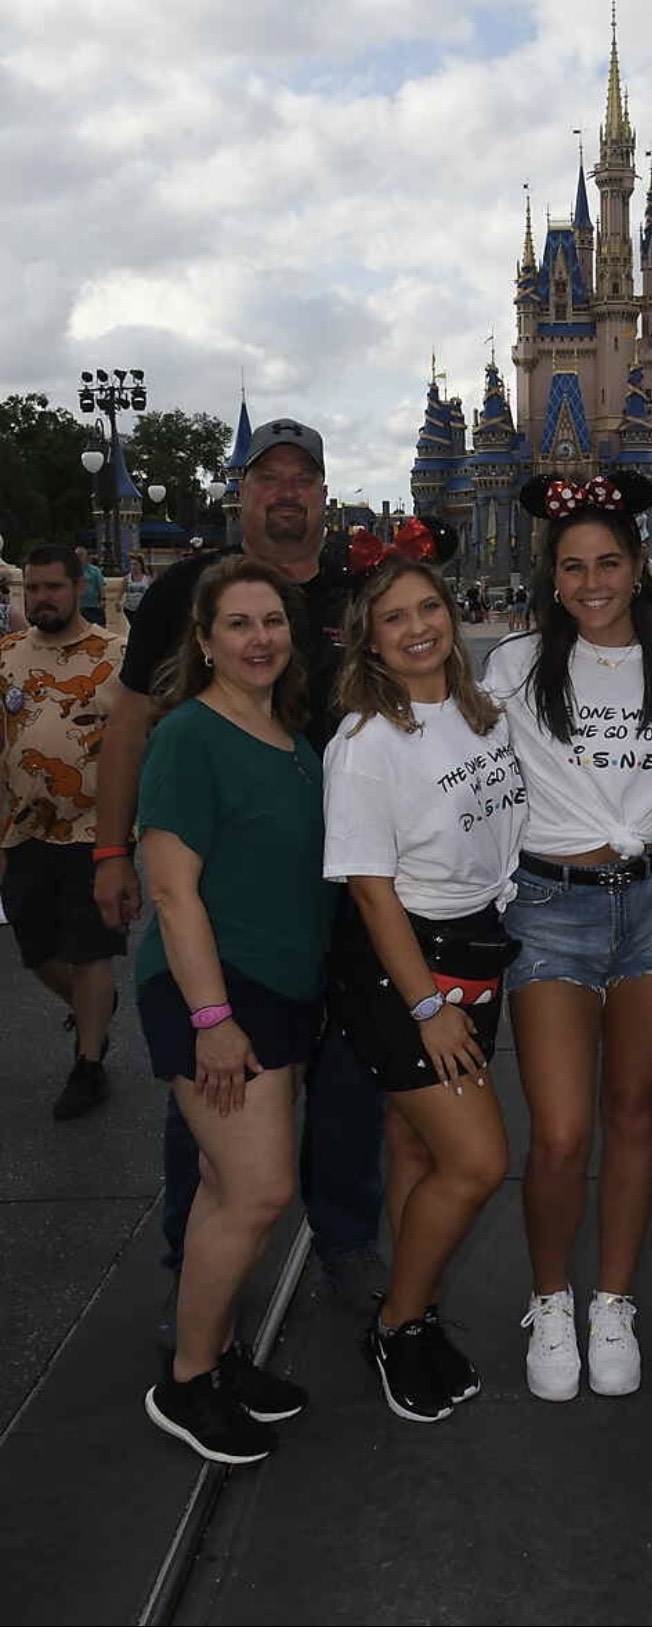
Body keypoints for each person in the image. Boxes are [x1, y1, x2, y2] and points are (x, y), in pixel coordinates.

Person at [92, 419, 385, 1315]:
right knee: (213, 1082)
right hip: (224, 882)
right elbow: (131, 720)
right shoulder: (187, 586)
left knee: (347, 1075)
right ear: (243, 492)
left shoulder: (363, 589)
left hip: (350, 879)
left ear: (324, 494)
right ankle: (196, 1248)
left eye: (303, 477)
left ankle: (345, 1238)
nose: (286, 491)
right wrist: (110, 849)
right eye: (269, 477)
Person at [483, 471, 652, 1400]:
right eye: (572, 565)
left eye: (607, 562)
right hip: (551, 906)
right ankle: (549, 1296)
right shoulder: (512, 664)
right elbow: (449, 763)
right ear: (552, 572)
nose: (591, 582)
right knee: (561, 1129)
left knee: (631, 1110)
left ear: (637, 565)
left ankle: (611, 1297)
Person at [323, 539, 526, 1423]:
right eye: (392, 618)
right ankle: (398, 1322)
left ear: (451, 614)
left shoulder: (479, 713)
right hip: (408, 967)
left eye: (427, 609)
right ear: (368, 643)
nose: (415, 628)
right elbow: (371, 892)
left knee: (418, 1152)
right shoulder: (368, 741)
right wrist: (428, 1006)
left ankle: (417, 1302)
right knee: (479, 1160)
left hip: (477, 951)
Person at [140, 556, 335, 1464]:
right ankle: (184, 1380)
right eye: (239, 623)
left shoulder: (291, 738)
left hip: (282, 987)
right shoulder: (188, 735)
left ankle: (214, 1356)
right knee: (259, 1189)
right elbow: (173, 892)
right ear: (205, 640)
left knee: (227, 1189)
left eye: (272, 621)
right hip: (216, 988)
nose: (260, 638)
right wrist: (213, 1019)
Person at [0, 546, 125, 1119]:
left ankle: (88, 1064)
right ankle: (92, 1005)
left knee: (90, 948)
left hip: (92, 831)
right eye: (34, 589)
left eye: (53, 587)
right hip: (23, 830)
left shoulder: (114, 655)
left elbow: (137, 740)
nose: (42, 598)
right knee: (37, 949)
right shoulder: (7, 658)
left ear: (79, 588)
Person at [75, 545, 106, 627]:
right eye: (77, 555)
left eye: (81, 555)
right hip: (78, 606)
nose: (79, 557)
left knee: (98, 627)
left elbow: (101, 585)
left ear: (86, 557)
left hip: (93, 605)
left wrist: (103, 599)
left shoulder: (94, 570)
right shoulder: (71, 571)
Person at [122, 554, 152, 621]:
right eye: (131, 564)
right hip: (129, 609)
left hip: (142, 609)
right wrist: (118, 603)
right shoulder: (127, 578)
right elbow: (121, 592)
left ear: (140, 565)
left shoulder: (147, 579)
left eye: (135, 564)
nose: (133, 567)